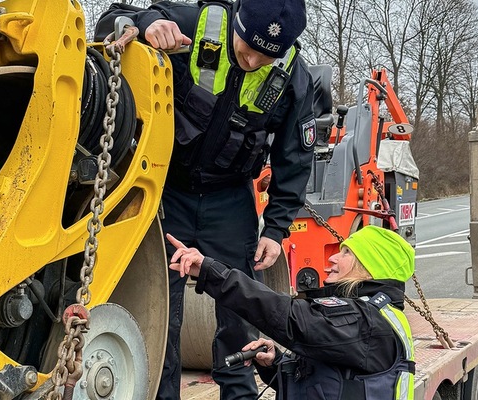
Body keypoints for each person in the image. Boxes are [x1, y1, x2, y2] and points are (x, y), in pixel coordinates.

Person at [96, 0, 315, 398]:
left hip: (229, 199)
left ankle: (239, 393)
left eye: (265, 57)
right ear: (237, 22)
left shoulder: (291, 78)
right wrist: (147, 25)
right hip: (168, 190)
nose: (252, 61)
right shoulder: (194, 24)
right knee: (163, 311)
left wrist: (277, 228)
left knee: (239, 312)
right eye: (247, 49)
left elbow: (294, 159)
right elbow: (109, 20)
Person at [167, 225, 417, 400]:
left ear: (370, 268)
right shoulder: (362, 322)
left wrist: (212, 272)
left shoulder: (367, 323)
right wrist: (276, 363)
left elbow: (289, 317)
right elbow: (324, 385)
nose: (332, 258)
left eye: (347, 253)